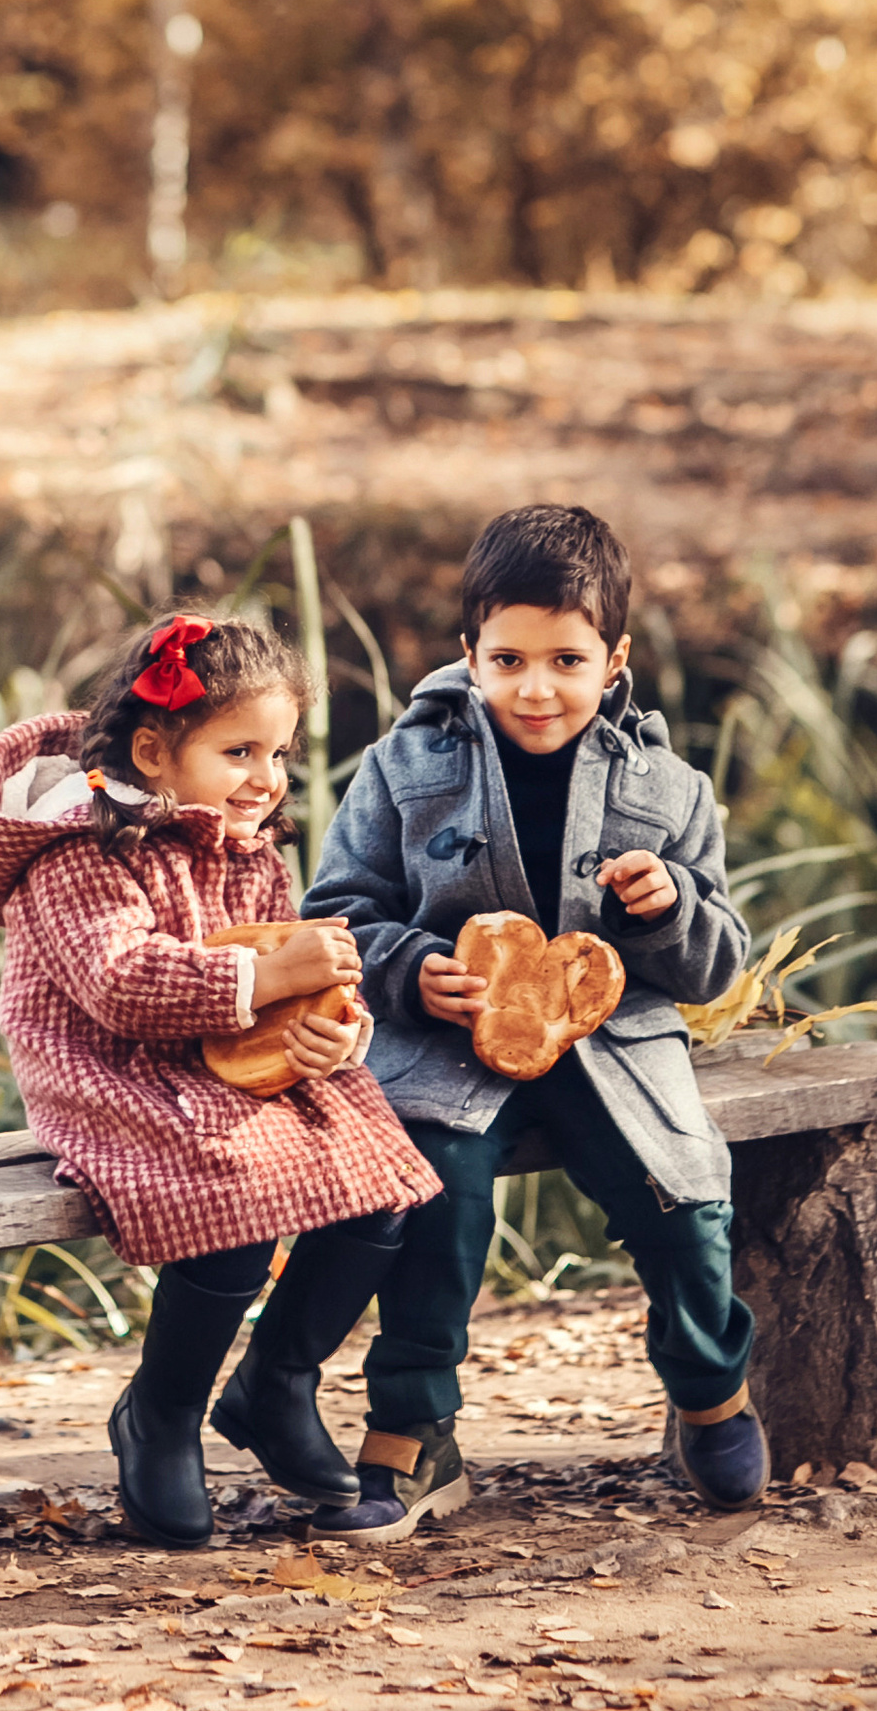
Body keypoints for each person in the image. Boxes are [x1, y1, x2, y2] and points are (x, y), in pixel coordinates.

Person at [267, 501, 766, 1537]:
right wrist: (412, 971)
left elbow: (719, 960)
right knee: (432, 1196)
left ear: (614, 658)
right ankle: (411, 1437)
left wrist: (668, 905)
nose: (535, 688)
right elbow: (336, 912)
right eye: (507, 660)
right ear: (468, 654)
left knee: (683, 1199)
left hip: (613, 1045)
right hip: (448, 1046)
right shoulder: (404, 769)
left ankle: (710, 1387)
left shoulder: (669, 790)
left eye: (567, 662)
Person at [0, 608, 441, 1550]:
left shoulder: (247, 845)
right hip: (112, 1072)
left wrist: (329, 1032)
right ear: (154, 749)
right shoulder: (78, 849)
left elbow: (292, 973)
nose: (266, 779)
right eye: (239, 752)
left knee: (382, 1180)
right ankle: (164, 1413)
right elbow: (119, 984)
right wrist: (271, 977)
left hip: (225, 1060)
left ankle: (276, 1381)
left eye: (281, 754)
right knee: (233, 1197)